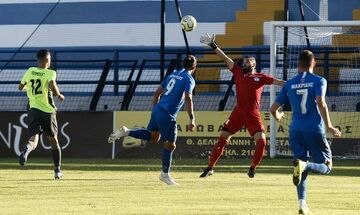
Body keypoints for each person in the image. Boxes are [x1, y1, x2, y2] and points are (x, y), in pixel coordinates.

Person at [199, 34, 285, 178]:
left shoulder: (261, 77)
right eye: (243, 61)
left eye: (247, 61)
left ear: (254, 64)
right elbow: (226, 58)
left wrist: (295, 85)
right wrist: (214, 46)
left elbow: (280, 82)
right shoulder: (238, 72)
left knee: (262, 141)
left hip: (253, 114)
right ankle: (210, 167)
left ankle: (252, 168)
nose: (244, 63)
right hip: (238, 112)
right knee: (223, 137)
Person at [270, 50, 341, 214]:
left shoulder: (289, 84)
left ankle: (302, 205)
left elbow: (273, 108)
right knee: (327, 166)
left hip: (295, 129)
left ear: (297, 65)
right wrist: (329, 126)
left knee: (300, 168)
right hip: (313, 128)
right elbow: (320, 101)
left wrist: (278, 115)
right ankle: (304, 165)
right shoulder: (319, 80)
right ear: (314, 63)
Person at [107, 55, 197, 185]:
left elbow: (156, 94)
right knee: (170, 144)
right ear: (194, 67)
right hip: (167, 114)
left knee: (154, 137)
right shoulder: (189, 79)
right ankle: (165, 175)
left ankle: (127, 132)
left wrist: (156, 111)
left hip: (158, 109)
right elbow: (188, 98)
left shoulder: (173, 75)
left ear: (183, 64)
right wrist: (192, 118)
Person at [18, 49, 65, 179]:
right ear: (47, 60)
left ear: (37, 60)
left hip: (33, 111)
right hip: (47, 112)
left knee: (34, 139)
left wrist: (30, 90)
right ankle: (57, 171)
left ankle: (26, 151)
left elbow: (20, 87)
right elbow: (52, 84)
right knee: (54, 141)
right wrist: (59, 94)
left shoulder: (29, 71)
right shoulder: (50, 73)